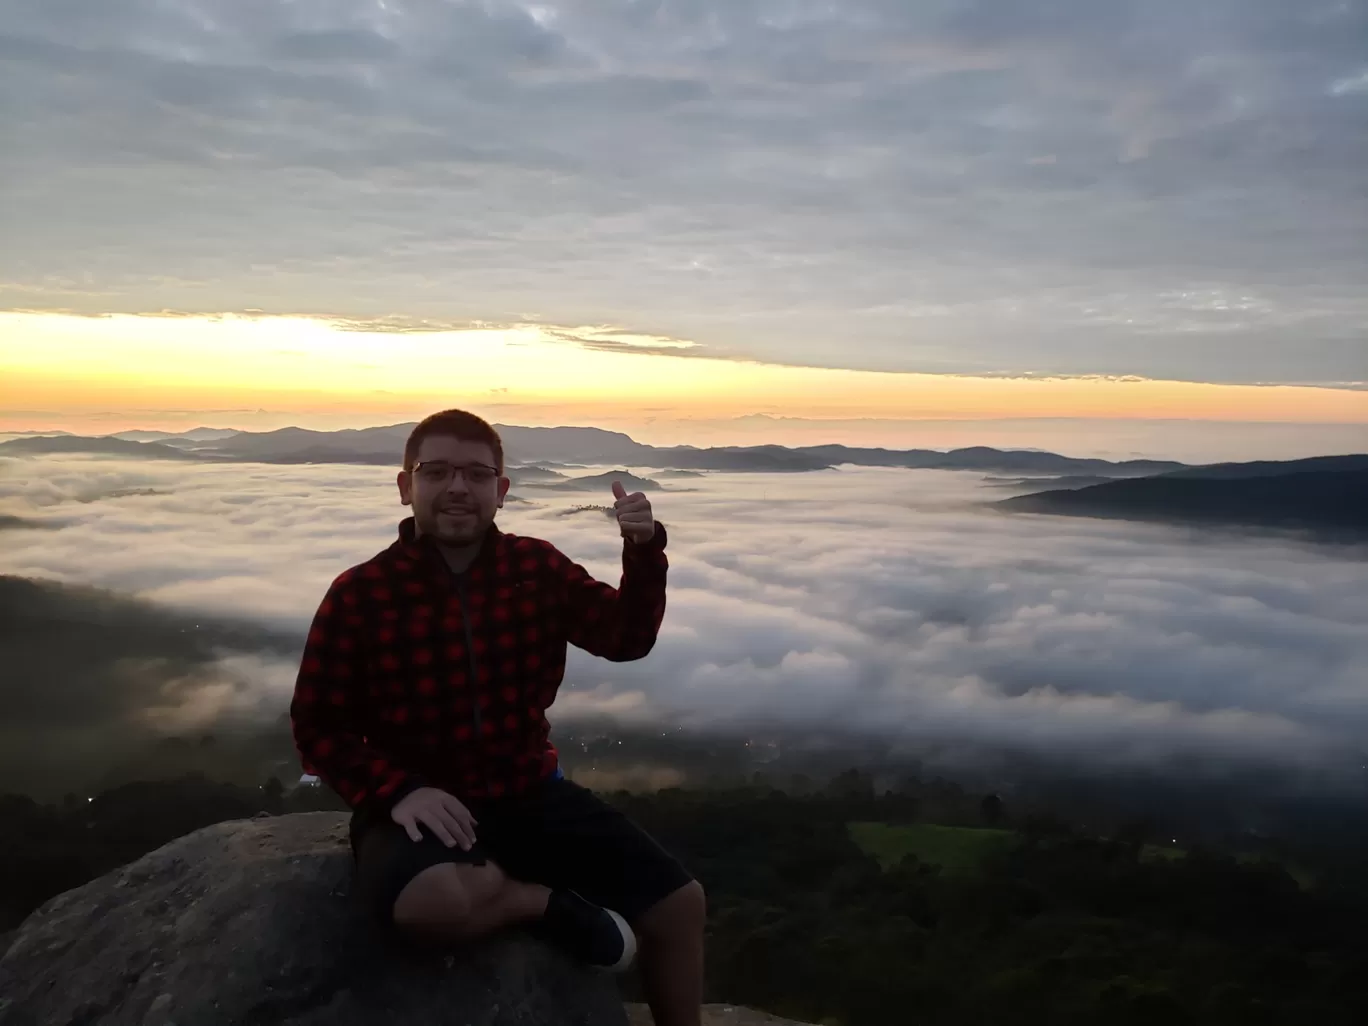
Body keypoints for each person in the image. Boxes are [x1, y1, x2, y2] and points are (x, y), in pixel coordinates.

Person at [290, 409, 704, 1026]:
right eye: (437, 472)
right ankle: (545, 906)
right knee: (430, 907)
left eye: (477, 474)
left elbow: (626, 636)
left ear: (501, 491)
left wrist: (643, 549)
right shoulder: (361, 593)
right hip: (423, 806)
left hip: (528, 791)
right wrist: (395, 790)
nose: (458, 487)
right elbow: (317, 722)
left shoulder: (536, 569)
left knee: (679, 905)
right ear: (406, 486)